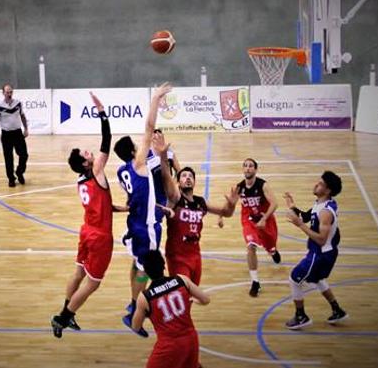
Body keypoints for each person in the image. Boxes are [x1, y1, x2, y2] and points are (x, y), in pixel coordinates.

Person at [50, 92, 127, 338]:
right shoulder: (96, 171)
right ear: (86, 164)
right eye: (86, 154)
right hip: (100, 237)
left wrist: (121, 209)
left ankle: (66, 308)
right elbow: (108, 140)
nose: (90, 152)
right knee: (93, 283)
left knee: (79, 273)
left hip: (86, 231)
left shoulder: (81, 181)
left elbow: (100, 205)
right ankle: (63, 317)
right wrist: (102, 112)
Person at [114, 82, 172, 337]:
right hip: (147, 226)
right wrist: (156, 98)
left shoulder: (121, 171)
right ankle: (134, 312)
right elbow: (149, 127)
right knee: (148, 269)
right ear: (133, 151)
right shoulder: (138, 163)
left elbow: (131, 200)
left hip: (135, 222)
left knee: (137, 264)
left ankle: (131, 299)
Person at [153, 133, 239, 285]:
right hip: (177, 255)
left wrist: (231, 204)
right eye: (183, 176)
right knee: (184, 291)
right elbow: (166, 176)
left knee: (190, 299)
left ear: (194, 182)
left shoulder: (201, 202)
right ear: (178, 183)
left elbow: (226, 213)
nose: (187, 178)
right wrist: (163, 155)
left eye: (190, 176)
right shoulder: (175, 198)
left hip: (195, 254)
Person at [283, 171, 348, 330]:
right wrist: (293, 207)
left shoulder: (325, 212)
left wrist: (299, 225)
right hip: (325, 253)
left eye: (320, 184)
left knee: (294, 279)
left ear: (328, 190)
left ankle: (301, 316)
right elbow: (308, 217)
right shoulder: (321, 203)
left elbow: (320, 239)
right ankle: (337, 310)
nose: (315, 184)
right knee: (317, 279)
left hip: (320, 254)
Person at [131, 250, 210, 368]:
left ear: (147, 272)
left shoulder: (145, 297)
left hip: (169, 345)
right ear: (164, 266)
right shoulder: (182, 280)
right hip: (191, 339)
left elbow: (135, 326)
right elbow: (205, 299)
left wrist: (146, 312)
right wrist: (192, 300)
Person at [236, 158, 281, 297]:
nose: (248, 168)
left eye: (251, 166)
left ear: (255, 170)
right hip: (249, 221)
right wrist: (220, 217)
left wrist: (264, 218)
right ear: (243, 169)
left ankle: (272, 251)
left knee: (270, 244)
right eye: (245, 166)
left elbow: (274, 203)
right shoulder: (239, 187)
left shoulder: (263, 185)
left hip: (265, 219)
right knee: (251, 246)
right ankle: (255, 282)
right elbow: (230, 204)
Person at [0, 84, 29, 187]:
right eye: (7, 92)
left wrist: (26, 129)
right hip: (6, 134)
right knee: (8, 158)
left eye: (11, 92)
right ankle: (11, 178)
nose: (9, 94)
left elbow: (22, 116)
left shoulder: (18, 103)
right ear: (3, 93)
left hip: (17, 133)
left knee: (24, 155)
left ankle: (20, 172)